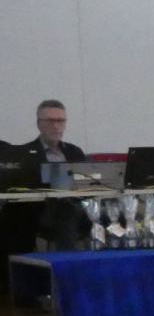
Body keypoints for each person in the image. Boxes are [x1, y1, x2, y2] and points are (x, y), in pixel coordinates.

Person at [1, 100, 89, 301]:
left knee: (114, 213)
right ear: (39, 123)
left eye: (60, 121)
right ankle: (69, 281)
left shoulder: (74, 152)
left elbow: (87, 183)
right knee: (64, 212)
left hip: (79, 208)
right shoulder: (23, 154)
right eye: (50, 121)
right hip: (41, 212)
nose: (56, 126)